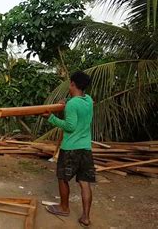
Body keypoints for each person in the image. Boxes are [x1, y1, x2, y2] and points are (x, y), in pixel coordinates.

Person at [43, 71, 95, 227]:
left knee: (63, 178)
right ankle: (85, 217)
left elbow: (70, 126)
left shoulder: (72, 104)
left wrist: (51, 118)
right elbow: (77, 108)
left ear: (72, 84)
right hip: (86, 147)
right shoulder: (89, 101)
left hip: (71, 147)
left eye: (69, 84)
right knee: (85, 182)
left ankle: (64, 207)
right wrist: (65, 103)